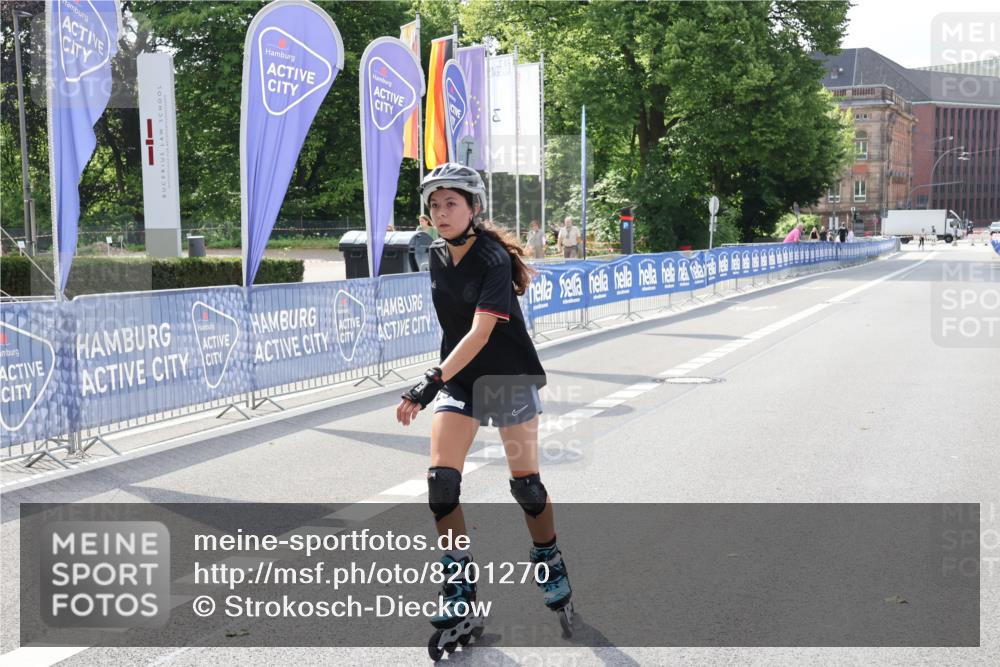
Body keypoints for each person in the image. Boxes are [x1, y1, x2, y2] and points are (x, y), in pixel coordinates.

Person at [396, 163, 573, 655]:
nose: (440, 212)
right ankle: (459, 586)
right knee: (441, 484)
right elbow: (455, 331)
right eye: (434, 205)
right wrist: (445, 378)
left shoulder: (493, 258)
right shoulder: (435, 254)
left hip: (506, 380)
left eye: (451, 203)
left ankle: (549, 558)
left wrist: (432, 378)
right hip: (464, 383)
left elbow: (480, 331)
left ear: (474, 208)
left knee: (527, 488)